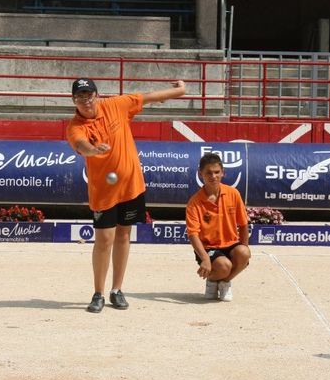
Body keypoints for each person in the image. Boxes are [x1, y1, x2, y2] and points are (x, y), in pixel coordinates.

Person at [66, 77, 186, 313]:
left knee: (123, 236)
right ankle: (98, 293)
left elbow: (149, 97)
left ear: (97, 95)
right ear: (74, 100)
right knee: (104, 241)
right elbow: (81, 145)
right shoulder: (75, 127)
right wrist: (93, 149)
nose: (85, 101)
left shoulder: (117, 105)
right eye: (80, 97)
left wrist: (180, 91)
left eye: (88, 95)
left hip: (131, 185)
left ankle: (116, 290)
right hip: (103, 191)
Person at [185, 152, 251, 302]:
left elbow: (243, 224)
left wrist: (244, 249)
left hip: (231, 244)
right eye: (208, 172)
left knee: (244, 253)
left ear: (223, 173)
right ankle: (212, 280)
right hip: (208, 248)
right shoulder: (194, 202)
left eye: (216, 172)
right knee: (224, 266)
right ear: (200, 173)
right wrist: (205, 259)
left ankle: (224, 282)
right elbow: (193, 235)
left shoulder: (233, 193)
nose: (213, 176)